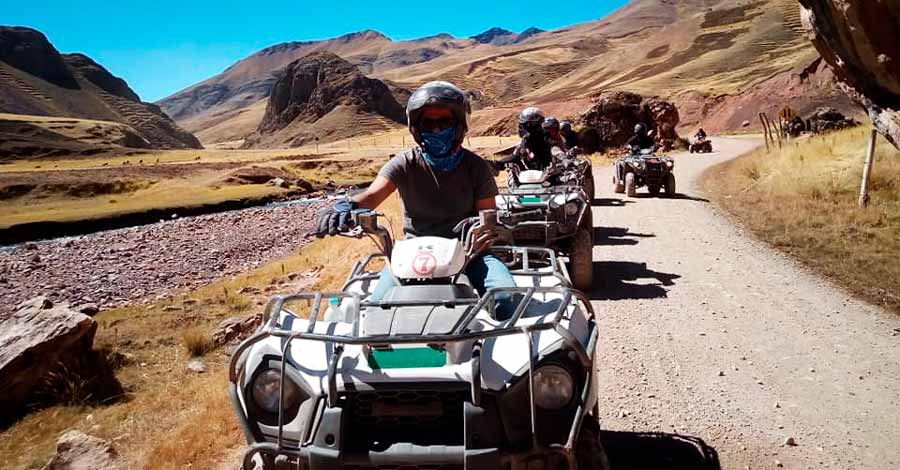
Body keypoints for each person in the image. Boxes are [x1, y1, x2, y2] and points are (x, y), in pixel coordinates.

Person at [314, 80, 517, 315]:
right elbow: (371, 195)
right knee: (377, 311)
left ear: (460, 125)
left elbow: (487, 220)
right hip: (413, 255)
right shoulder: (404, 163)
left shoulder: (476, 167)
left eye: (445, 122)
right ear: (416, 128)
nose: (437, 129)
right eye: (429, 123)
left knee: (505, 300)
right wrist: (344, 207)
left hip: (470, 253)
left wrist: (480, 233)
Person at [508, 106, 554, 171]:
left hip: (549, 175)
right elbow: (514, 156)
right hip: (530, 177)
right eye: (524, 125)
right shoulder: (525, 141)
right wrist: (497, 163)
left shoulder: (547, 138)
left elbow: (556, 150)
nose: (523, 128)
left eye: (528, 125)